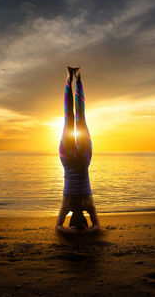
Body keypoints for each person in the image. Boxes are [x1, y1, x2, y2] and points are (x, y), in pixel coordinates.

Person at [55, 67, 100, 235]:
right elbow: (59, 227)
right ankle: (70, 79)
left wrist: (83, 232)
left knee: (79, 117)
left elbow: (97, 226)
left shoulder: (88, 205)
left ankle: (75, 79)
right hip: (68, 158)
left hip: (81, 158)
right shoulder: (67, 206)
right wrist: (71, 232)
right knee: (70, 118)